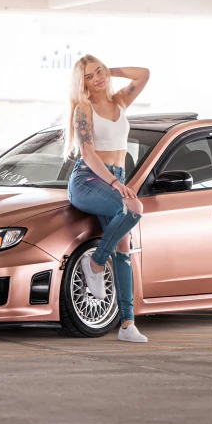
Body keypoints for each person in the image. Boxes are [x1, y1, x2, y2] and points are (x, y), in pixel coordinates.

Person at [65, 54, 150, 343]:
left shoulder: (118, 101)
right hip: (88, 179)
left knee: (124, 249)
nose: (98, 78)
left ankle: (127, 324)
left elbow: (144, 74)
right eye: (89, 76)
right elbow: (87, 154)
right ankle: (96, 264)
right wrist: (114, 183)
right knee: (134, 207)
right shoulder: (83, 108)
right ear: (82, 83)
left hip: (116, 177)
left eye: (99, 72)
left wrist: (107, 70)